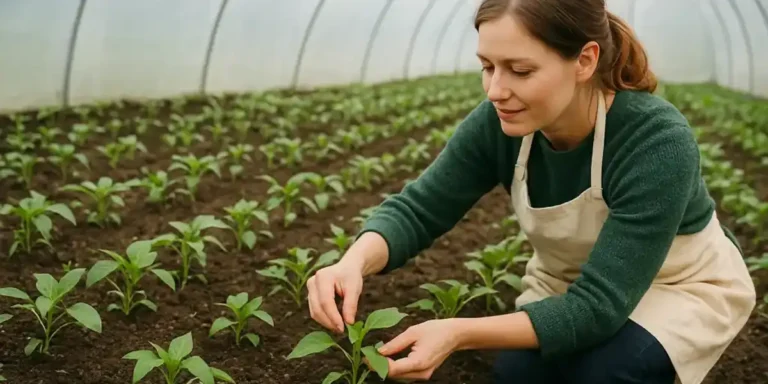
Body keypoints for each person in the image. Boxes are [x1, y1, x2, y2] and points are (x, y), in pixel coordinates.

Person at [306, 0, 757, 383]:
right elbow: (419, 209)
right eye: (487, 67)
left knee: (607, 372)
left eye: (520, 70)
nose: (496, 91)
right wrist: (352, 263)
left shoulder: (655, 141)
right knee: (517, 374)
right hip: (571, 283)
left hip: (680, 285)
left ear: (584, 60)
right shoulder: (498, 125)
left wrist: (459, 332)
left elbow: (598, 308)